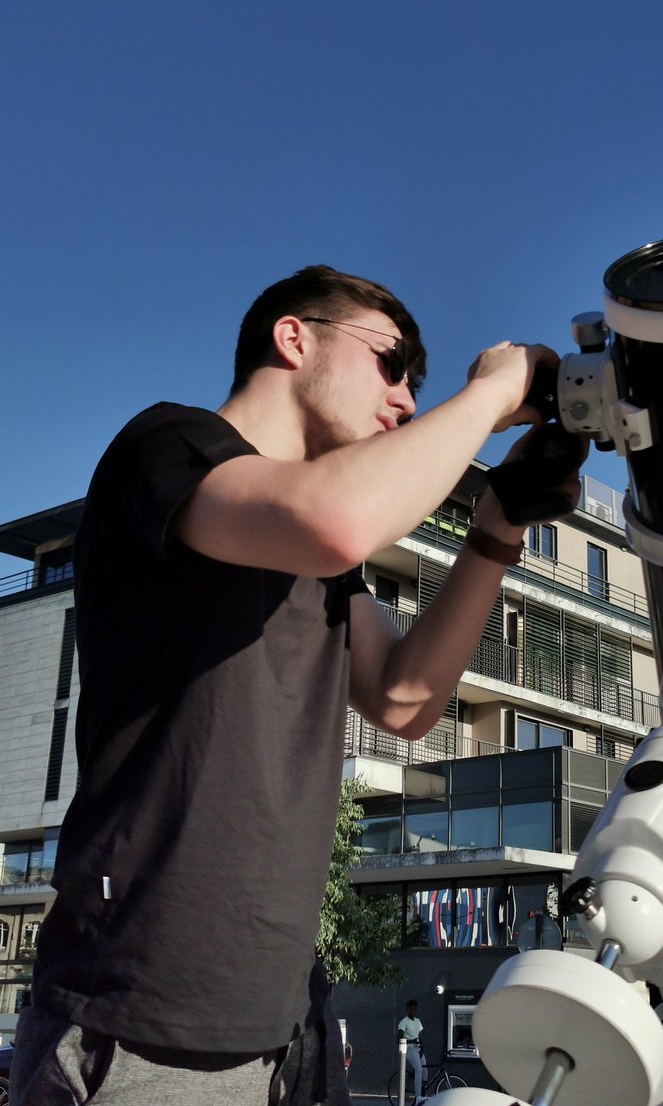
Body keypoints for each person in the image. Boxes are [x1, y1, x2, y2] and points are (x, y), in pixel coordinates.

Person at [11, 265, 585, 1106]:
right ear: (294, 336)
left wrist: (498, 522)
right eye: (393, 365)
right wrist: (494, 394)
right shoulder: (168, 446)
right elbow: (332, 519)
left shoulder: (323, 559)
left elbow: (404, 700)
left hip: (288, 1027)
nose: (405, 401)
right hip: (142, 1018)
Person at [396, 1000, 425, 1104]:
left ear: (416, 1010)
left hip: (418, 1049)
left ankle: (422, 1091)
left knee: (425, 1072)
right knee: (419, 1070)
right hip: (409, 1049)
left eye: (414, 1009)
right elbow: (399, 1039)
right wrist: (411, 1041)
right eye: (410, 1009)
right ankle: (418, 1097)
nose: (412, 1011)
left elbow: (420, 1036)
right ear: (407, 1010)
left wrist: (422, 1049)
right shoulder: (404, 1022)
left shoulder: (418, 1021)